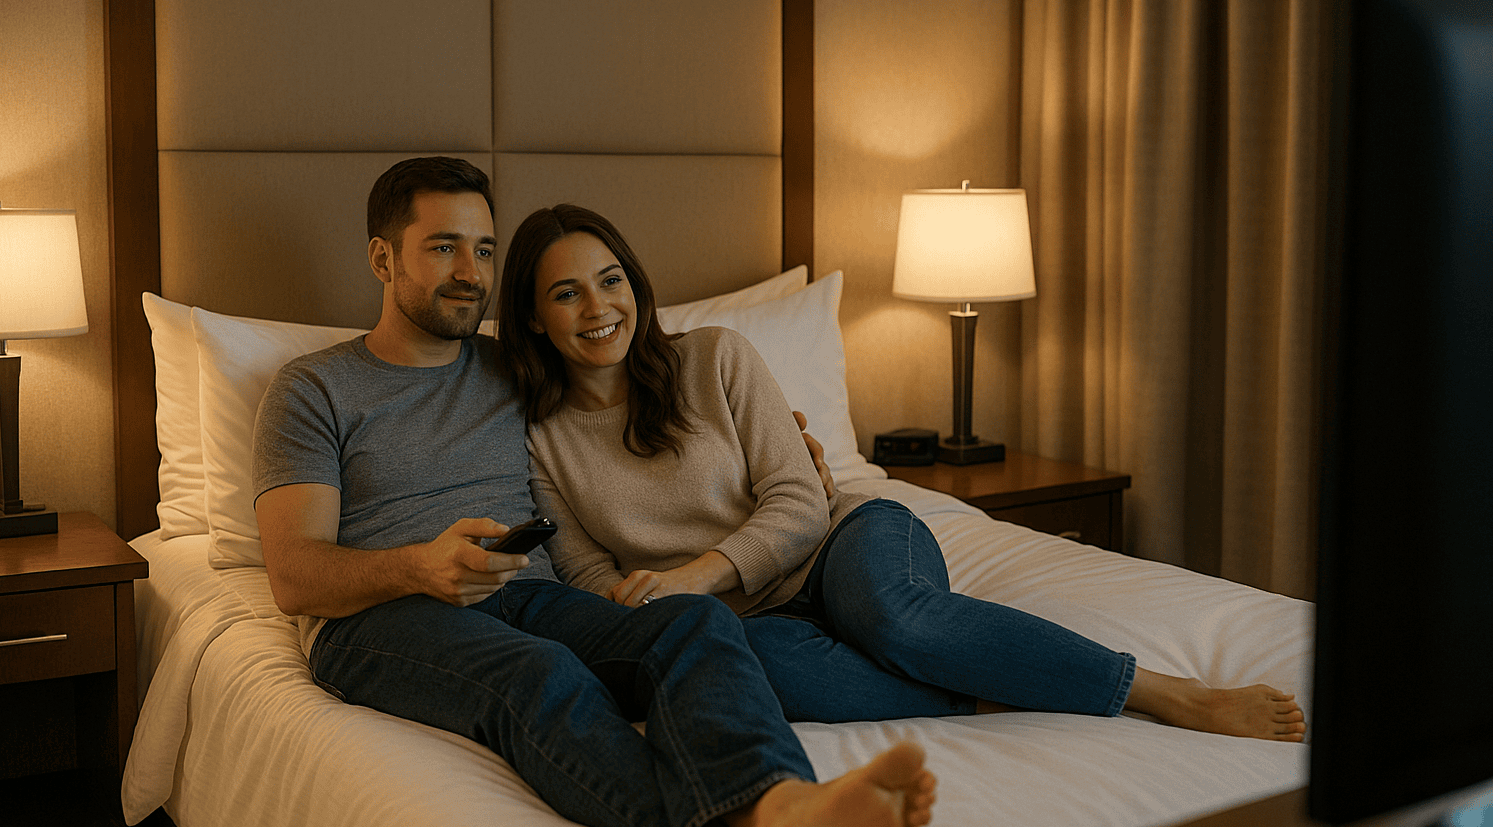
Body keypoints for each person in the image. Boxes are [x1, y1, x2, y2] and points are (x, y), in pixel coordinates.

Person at [251, 157, 938, 827]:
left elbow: (624, 383)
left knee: (693, 621)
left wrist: (791, 450)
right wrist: (418, 567)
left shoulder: (517, 366)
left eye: (484, 249)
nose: (470, 272)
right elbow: (294, 575)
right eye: (443, 247)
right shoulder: (313, 389)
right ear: (383, 258)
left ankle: (784, 811)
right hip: (384, 616)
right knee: (540, 675)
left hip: (529, 591)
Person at [498, 203, 1309, 742]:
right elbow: (588, 574)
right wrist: (661, 603)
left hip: (840, 542)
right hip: (744, 620)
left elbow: (800, 502)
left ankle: (1166, 694)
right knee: (761, 669)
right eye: (567, 294)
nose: (599, 308)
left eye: (611, 280)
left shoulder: (713, 357)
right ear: (532, 317)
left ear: (634, 284)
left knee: (893, 617)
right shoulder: (539, 438)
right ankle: (985, 690)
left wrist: (698, 576)